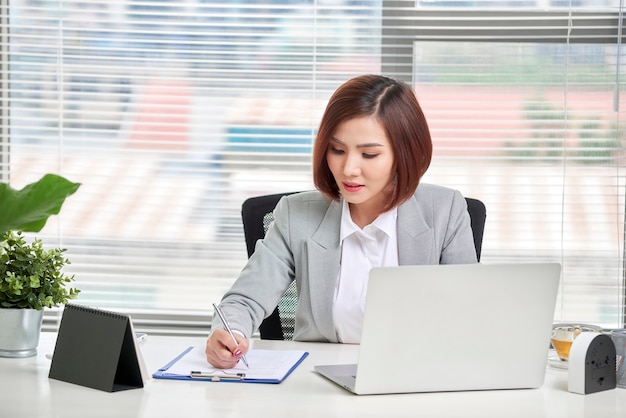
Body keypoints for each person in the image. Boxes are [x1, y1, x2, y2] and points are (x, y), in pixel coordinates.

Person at [205, 74, 477, 368]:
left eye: (369, 154)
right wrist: (229, 331)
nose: (349, 169)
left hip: (415, 378)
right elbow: (244, 301)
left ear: (405, 154)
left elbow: (469, 314)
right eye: (337, 150)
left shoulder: (445, 211)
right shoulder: (295, 215)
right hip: (317, 384)